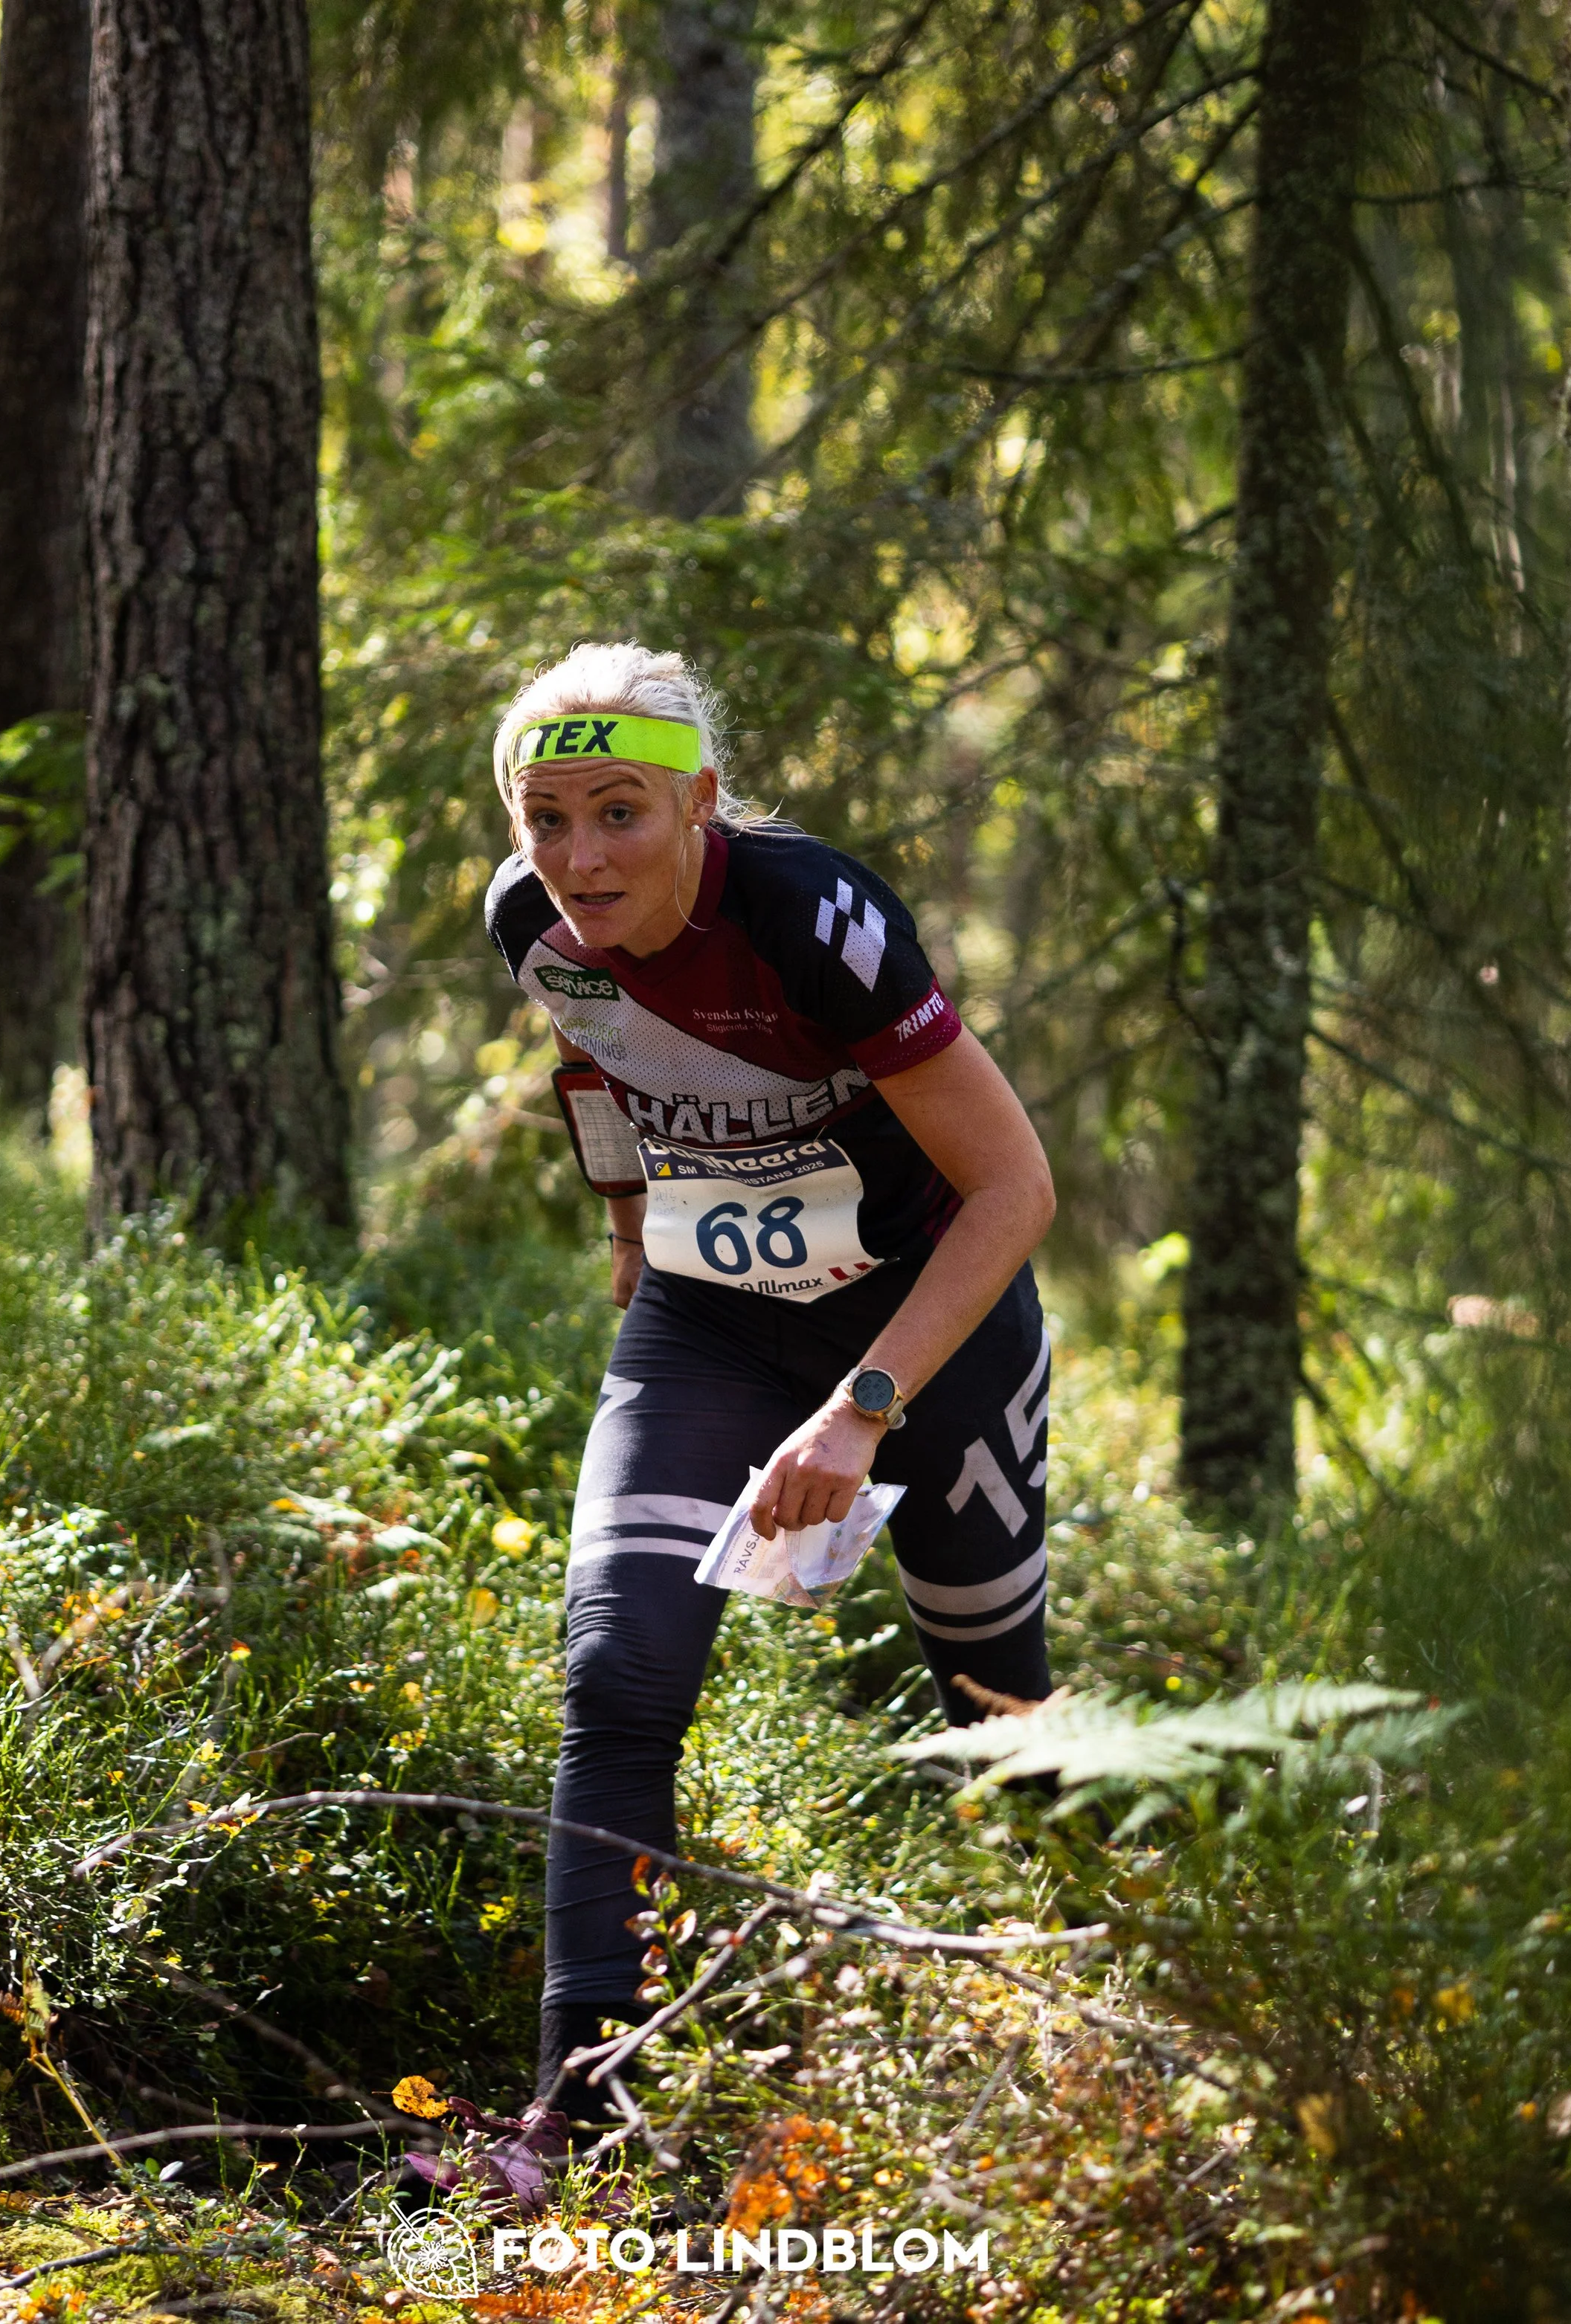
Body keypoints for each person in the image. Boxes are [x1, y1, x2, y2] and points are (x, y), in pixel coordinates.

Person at [482, 643, 1056, 2122]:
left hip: (932, 1320)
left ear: (700, 804)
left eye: (618, 812)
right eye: (543, 817)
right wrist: (623, 1221)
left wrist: (862, 1402)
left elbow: (1012, 1189)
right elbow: (600, 1069)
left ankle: (1091, 2038)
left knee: (996, 1713)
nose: (577, 856)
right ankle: (581, 2109)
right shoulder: (529, 926)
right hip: (710, 1314)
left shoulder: (814, 918)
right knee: (615, 1678)